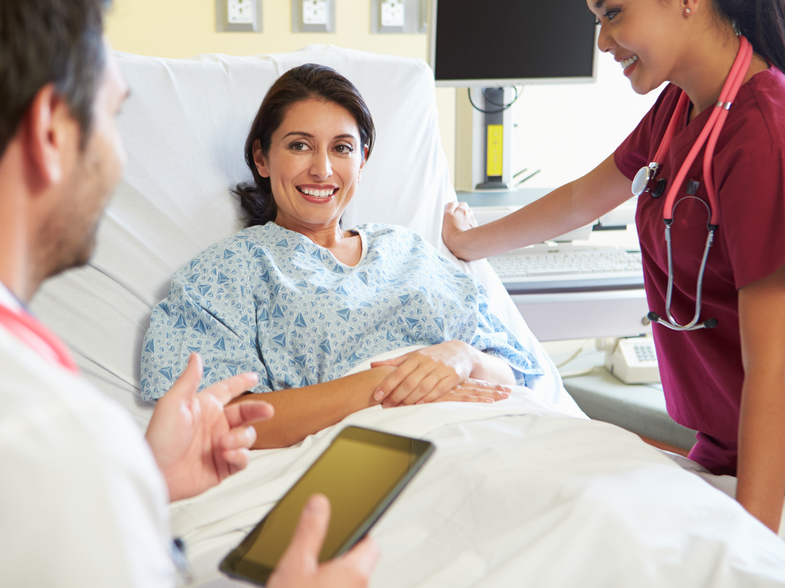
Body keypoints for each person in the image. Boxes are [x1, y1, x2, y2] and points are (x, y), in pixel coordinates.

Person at [0, 0, 378, 585]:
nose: (120, 156)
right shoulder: (40, 431)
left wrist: (141, 481)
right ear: (51, 132)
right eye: (113, 115)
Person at [443, 0, 785, 532]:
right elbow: (587, 195)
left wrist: (751, 553)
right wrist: (468, 241)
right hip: (727, 423)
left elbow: (778, 364)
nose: (605, 40)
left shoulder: (769, 141)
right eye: (597, 20)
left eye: (614, 13)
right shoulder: (684, 105)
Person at [141, 64, 545, 449]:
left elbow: (517, 372)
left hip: (503, 428)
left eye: (342, 148)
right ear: (262, 158)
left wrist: (464, 356)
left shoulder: (409, 250)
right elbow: (216, 419)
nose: (322, 168)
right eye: (300, 145)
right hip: (383, 449)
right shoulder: (228, 272)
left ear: (362, 160)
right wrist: (380, 385)